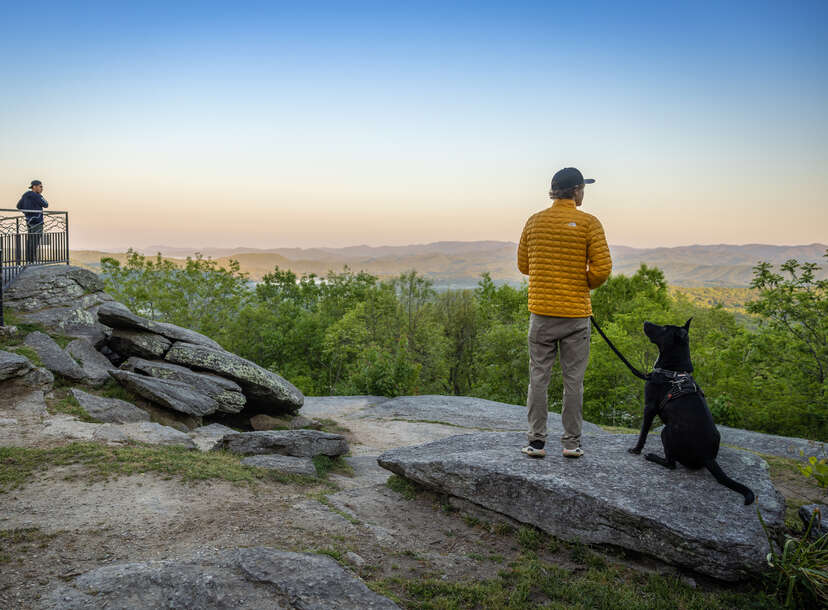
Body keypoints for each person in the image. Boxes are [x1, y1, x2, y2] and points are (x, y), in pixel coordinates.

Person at [517, 167, 612, 458]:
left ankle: (536, 442)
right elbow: (602, 269)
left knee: (538, 379)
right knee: (573, 382)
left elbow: (524, 265)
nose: (583, 193)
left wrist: (548, 277)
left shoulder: (534, 222)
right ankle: (571, 444)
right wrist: (581, 284)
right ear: (575, 190)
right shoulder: (589, 223)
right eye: (583, 188)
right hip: (575, 316)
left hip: (542, 315)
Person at [16, 180, 49, 263]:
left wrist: (27, 213)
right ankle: (32, 260)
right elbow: (46, 204)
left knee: (30, 241)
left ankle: (28, 260)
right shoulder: (37, 196)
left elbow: (18, 206)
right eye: (40, 186)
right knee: (35, 241)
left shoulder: (25, 195)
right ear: (34, 187)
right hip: (37, 222)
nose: (42, 188)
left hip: (29, 222)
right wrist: (39, 196)